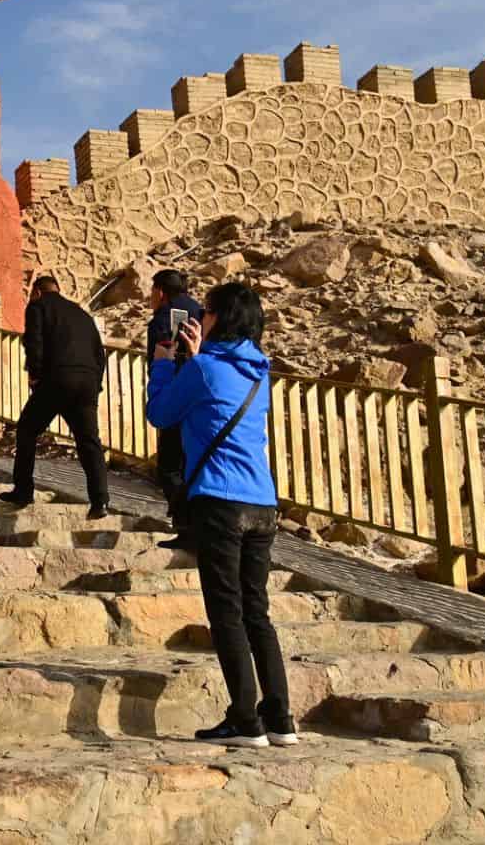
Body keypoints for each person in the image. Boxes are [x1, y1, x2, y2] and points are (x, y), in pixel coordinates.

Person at [146, 282, 294, 749]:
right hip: (262, 503)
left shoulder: (205, 369)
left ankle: (244, 720)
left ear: (220, 318)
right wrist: (195, 357)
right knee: (257, 613)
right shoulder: (258, 371)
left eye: (206, 311)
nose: (200, 317)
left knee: (226, 612)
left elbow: (160, 413)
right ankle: (280, 718)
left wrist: (164, 365)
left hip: (219, 501)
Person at [0, 275, 110, 517]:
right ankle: (100, 501)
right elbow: (99, 354)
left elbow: (34, 342)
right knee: (89, 441)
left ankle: (23, 491)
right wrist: (95, 384)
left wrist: (36, 375)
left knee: (27, 430)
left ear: (37, 291)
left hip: (56, 379)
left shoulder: (38, 306)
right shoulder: (82, 314)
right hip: (87, 382)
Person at [146, 268, 203, 548]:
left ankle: (186, 526)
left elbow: (160, 355)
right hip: (200, 395)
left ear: (160, 291)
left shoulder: (163, 317)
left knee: (170, 467)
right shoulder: (200, 311)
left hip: (174, 395)